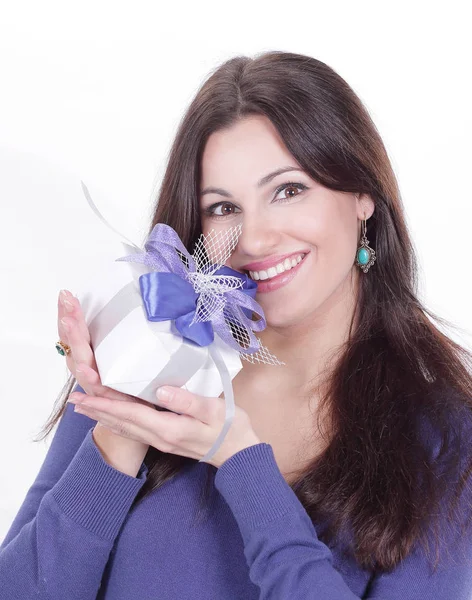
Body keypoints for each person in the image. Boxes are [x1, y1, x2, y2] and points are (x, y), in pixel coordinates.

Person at [1, 50, 472, 599]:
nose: (254, 239)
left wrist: (244, 465)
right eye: (223, 207)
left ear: (363, 196)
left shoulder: (447, 442)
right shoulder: (142, 362)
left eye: (288, 191)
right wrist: (122, 425)